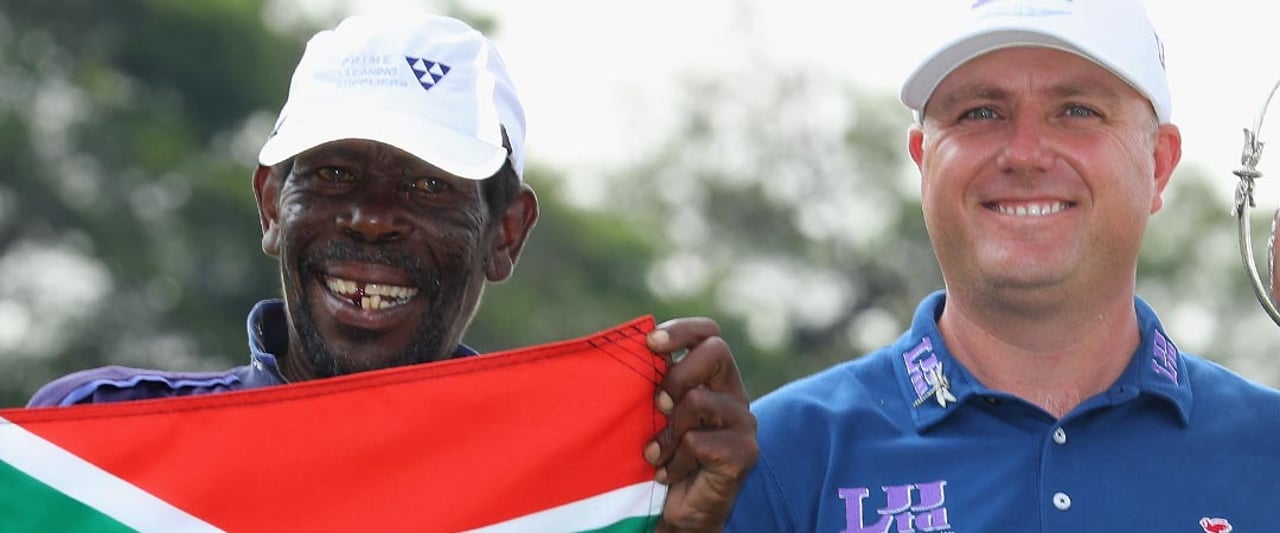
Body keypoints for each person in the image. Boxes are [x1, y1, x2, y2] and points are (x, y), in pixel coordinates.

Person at [25, 13, 756, 531]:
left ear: (506, 233)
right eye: (334, 173)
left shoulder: (585, 493)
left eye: (429, 185)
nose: (372, 218)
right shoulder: (90, 443)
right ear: (273, 204)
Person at [726, 0, 1280, 531]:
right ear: (923, 160)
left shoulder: (1269, 446)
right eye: (979, 112)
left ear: (1158, 164)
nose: (1024, 154)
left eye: (1078, 111)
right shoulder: (771, 460)